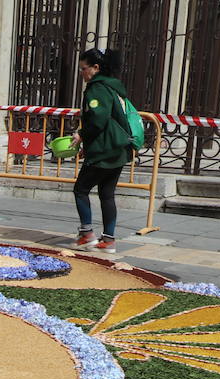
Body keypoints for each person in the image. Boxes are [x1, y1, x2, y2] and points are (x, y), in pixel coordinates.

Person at [73, 48, 135, 253]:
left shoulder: (97, 89)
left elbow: (98, 119)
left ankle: (86, 234)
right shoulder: (114, 87)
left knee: (81, 189)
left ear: (96, 67)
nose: (82, 73)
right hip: (117, 149)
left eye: (84, 69)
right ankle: (108, 240)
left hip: (104, 151)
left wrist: (81, 135)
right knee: (107, 194)